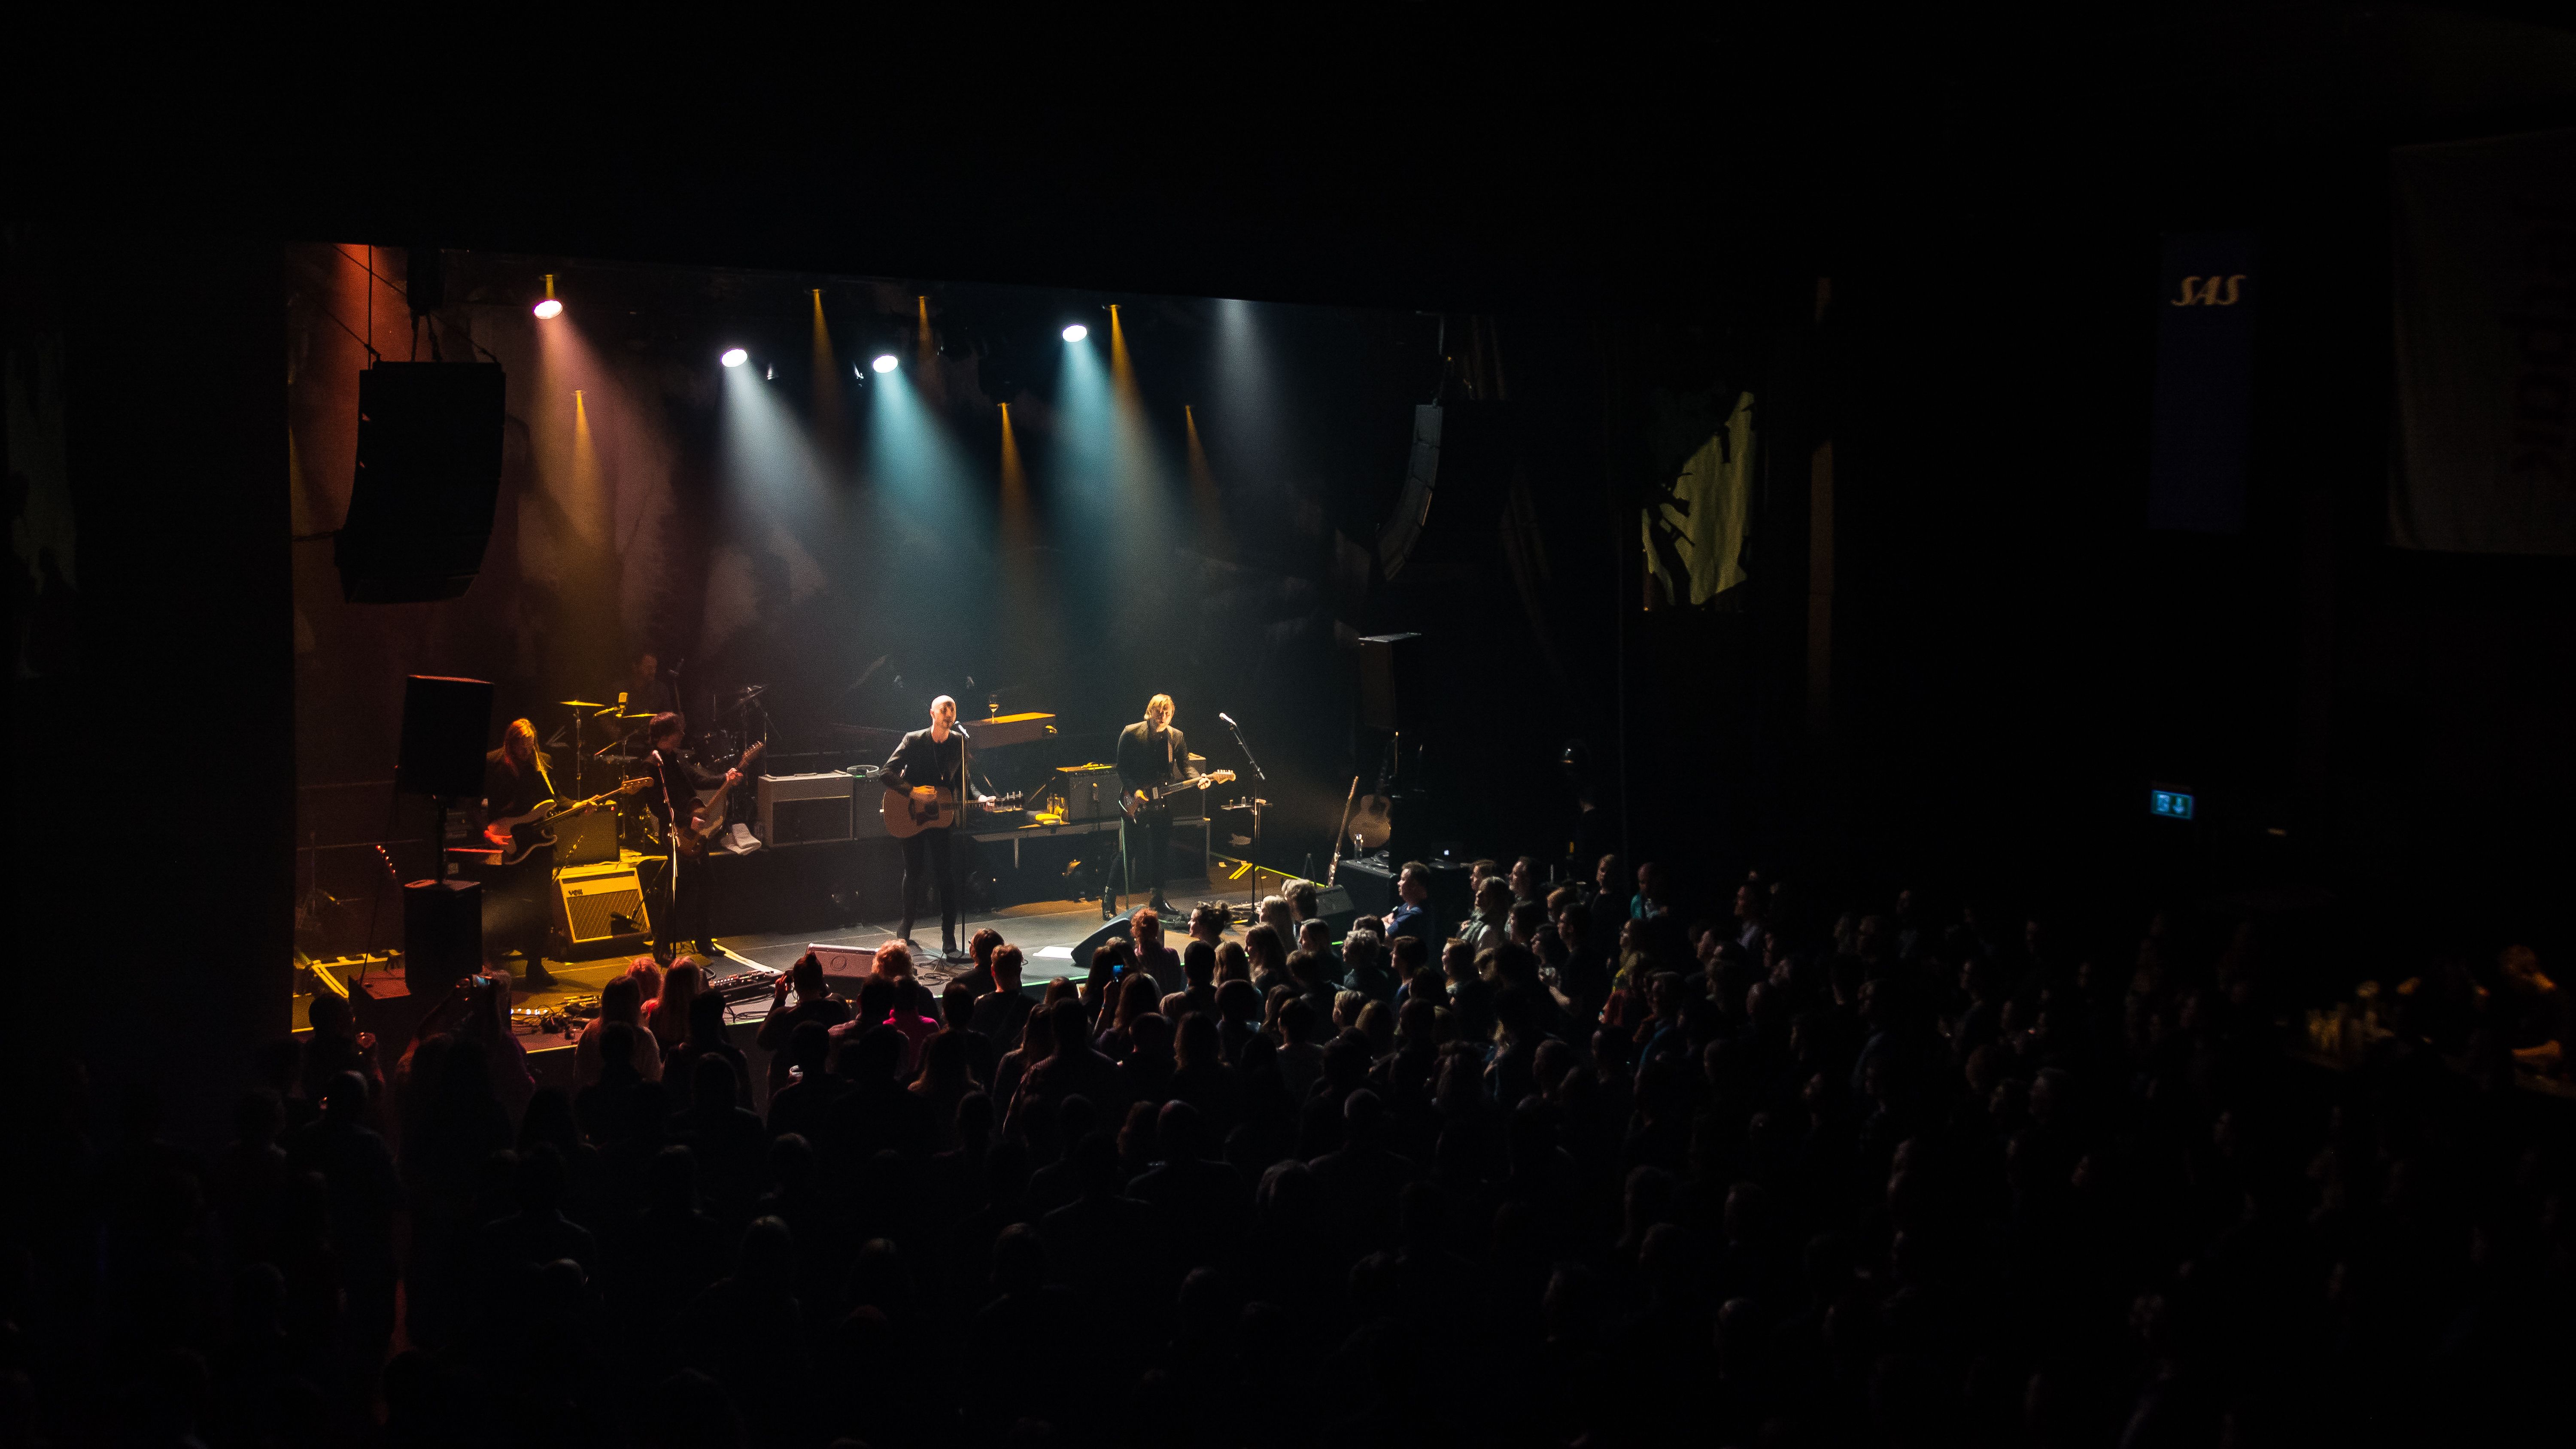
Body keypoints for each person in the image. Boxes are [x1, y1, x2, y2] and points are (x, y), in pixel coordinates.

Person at [883, 696, 987, 959]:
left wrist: (980, 798)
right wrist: (912, 791)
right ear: (932, 714)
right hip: (911, 814)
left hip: (941, 816)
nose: (949, 714)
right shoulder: (914, 740)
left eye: (953, 709)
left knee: (946, 875)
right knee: (914, 871)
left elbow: (966, 782)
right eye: (944, 709)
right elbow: (887, 772)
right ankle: (905, 927)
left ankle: (949, 938)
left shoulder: (959, 743)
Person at [645, 711, 737, 964]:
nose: (683, 734)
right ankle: (662, 946)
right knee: (676, 890)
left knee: (707, 881)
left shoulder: (676, 759)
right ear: (665, 736)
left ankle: (704, 940)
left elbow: (697, 779)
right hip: (674, 831)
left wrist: (724, 778)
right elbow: (656, 805)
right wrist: (686, 821)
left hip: (691, 831)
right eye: (678, 731)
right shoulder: (653, 765)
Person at [476, 717, 561, 986]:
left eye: (531, 745)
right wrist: (488, 834)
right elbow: (474, 805)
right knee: (501, 902)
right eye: (522, 747)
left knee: (541, 906)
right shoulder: (492, 763)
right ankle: (491, 963)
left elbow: (556, 798)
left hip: (538, 843)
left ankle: (536, 965)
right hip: (504, 839)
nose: (528, 751)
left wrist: (584, 805)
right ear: (510, 744)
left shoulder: (542, 762)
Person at [1114, 693, 1206, 913]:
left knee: (1160, 851)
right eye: (1159, 711)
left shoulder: (1176, 737)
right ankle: (1108, 899)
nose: (1163, 716)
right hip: (1136, 801)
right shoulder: (1131, 733)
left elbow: (1186, 766)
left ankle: (1157, 899)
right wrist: (1135, 790)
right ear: (1150, 711)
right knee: (1129, 852)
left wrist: (1200, 778)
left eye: (1168, 712)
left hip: (1162, 803)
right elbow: (1122, 768)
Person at [756, 954, 853, 1094]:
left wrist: (779, 999)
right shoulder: (836, 1006)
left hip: (789, 1081)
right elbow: (828, 994)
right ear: (821, 980)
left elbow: (762, 1041)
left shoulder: (783, 1015)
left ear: (795, 984)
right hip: (826, 1076)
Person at [1130, 908, 1183, 997]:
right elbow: (1177, 982)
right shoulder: (1172, 954)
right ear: (1157, 930)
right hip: (1169, 1005)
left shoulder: (1134, 959)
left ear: (1135, 932)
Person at [1382, 860, 1436, 946]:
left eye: (1403, 879)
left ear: (1414, 885)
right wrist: (1388, 924)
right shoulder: (1409, 904)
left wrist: (1386, 924)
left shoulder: (1415, 913)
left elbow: (1385, 938)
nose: (1398, 883)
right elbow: (1387, 917)